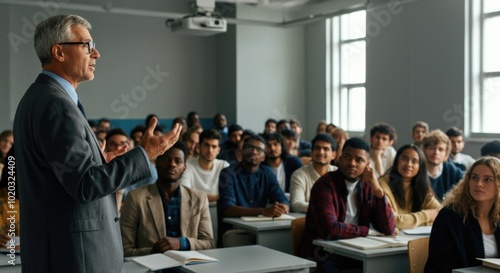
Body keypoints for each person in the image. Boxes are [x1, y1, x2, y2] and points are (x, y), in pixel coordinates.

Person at [13, 14, 182, 273]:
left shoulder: (41, 97)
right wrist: (145, 153)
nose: (97, 54)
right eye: (87, 46)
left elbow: (64, 178)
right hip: (74, 256)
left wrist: (102, 162)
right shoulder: (56, 103)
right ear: (59, 52)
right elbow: (85, 185)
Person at [298, 137, 395, 273]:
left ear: (367, 164)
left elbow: (388, 229)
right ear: (339, 158)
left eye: (359, 160)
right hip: (322, 255)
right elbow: (330, 230)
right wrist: (366, 231)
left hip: (355, 252)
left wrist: (378, 190)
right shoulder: (324, 185)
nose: (352, 163)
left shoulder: (368, 187)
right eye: (347, 157)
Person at [120, 142, 215, 257]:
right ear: (156, 163)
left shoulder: (199, 198)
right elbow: (125, 249)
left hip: (189, 265)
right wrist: (156, 252)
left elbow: (209, 244)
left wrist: (182, 243)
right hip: (152, 266)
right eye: (166, 159)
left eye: (178, 161)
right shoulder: (136, 198)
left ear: (184, 168)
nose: (172, 164)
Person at [425, 157, 500, 273]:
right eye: (474, 178)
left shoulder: (498, 217)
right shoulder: (450, 216)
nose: (479, 184)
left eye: (487, 180)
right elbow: (439, 267)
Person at [217, 134, 289, 247]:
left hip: (264, 229)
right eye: (250, 148)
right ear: (242, 151)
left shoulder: (267, 172)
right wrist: (262, 211)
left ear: (263, 157)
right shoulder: (228, 173)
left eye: (259, 150)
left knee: (284, 244)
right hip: (236, 231)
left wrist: (283, 207)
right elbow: (227, 209)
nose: (254, 152)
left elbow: (281, 198)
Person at [379, 144, 441, 230]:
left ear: (420, 166)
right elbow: (393, 221)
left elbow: (441, 213)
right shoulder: (383, 184)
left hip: (412, 238)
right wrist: (427, 215)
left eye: (414, 161)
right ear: (397, 160)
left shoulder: (421, 186)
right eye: (404, 158)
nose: (409, 164)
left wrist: (410, 223)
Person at [289, 134, 338, 212]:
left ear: (333, 155)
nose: (321, 152)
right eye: (317, 148)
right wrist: (325, 209)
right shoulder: (299, 175)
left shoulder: (338, 174)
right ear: (311, 152)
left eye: (326, 149)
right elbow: (296, 204)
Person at [179, 129, 229, 202]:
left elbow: (229, 195)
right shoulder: (187, 165)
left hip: (220, 210)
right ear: (199, 147)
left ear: (218, 150)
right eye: (206, 145)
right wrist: (218, 197)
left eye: (214, 147)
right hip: (195, 210)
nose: (210, 150)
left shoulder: (224, 166)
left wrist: (197, 196)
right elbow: (186, 194)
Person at [422, 130, 464, 201]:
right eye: (432, 148)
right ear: (424, 150)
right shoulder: (416, 170)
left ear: (446, 155)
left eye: (441, 149)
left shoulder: (453, 172)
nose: (436, 152)